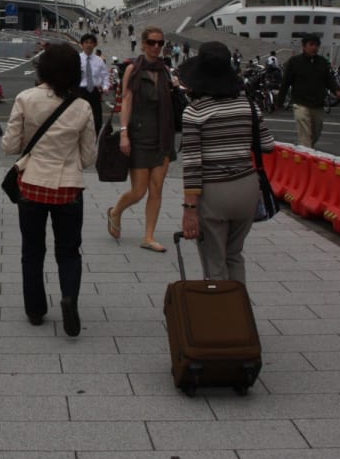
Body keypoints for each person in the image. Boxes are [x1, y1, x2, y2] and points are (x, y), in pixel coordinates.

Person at [3, 42, 96, 335]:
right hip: (68, 187)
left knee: (32, 249)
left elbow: (9, 146)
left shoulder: (25, 98)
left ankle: (35, 308)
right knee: (69, 251)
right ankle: (69, 298)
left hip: (32, 185)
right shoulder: (82, 107)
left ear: (42, 67)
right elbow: (89, 157)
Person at [177, 41, 275, 281]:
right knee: (234, 255)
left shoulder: (195, 112)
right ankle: (239, 314)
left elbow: (192, 163)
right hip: (246, 190)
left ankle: (221, 317)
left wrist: (190, 209)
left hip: (214, 192)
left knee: (214, 262)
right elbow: (268, 145)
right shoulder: (249, 107)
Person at [106, 26, 178, 253]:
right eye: (152, 43)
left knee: (156, 189)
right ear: (144, 43)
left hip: (163, 136)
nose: (156, 47)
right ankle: (116, 211)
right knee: (139, 191)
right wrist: (124, 132)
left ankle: (148, 236)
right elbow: (126, 101)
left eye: (160, 43)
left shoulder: (166, 71)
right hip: (139, 134)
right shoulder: (132, 70)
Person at [276, 34, 340, 148]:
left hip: (317, 103)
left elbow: (329, 79)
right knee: (304, 131)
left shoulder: (322, 62)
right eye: (311, 45)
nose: (314, 48)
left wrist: (336, 90)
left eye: (316, 45)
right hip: (300, 102)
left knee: (316, 130)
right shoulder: (294, 62)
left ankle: (308, 149)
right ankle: (306, 152)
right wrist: (279, 101)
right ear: (304, 46)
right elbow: (286, 82)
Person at [77, 33, 109, 133]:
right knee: (80, 120)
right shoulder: (76, 59)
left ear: (94, 45)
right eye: (86, 42)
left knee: (97, 121)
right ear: (82, 44)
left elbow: (105, 75)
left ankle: (95, 142)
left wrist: (105, 86)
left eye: (91, 43)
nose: (89, 45)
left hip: (94, 92)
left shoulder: (99, 60)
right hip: (80, 92)